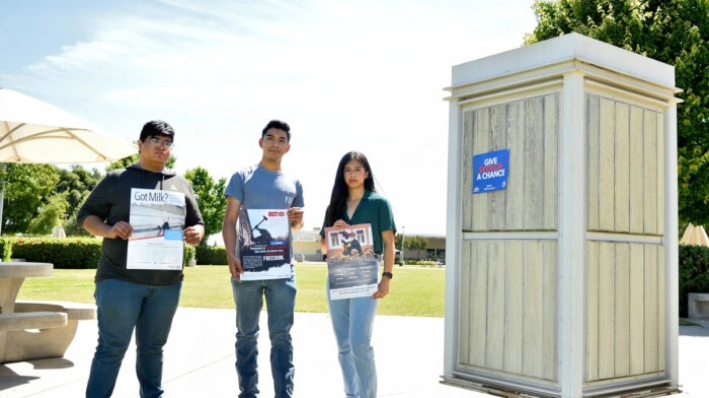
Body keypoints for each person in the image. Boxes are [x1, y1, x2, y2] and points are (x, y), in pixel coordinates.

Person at [78, 120, 205, 398]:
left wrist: (197, 232)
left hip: (167, 284)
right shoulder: (116, 179)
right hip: (119, 280)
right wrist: (109, 230)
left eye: (167, 142)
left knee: (153, 349)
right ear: (140, 144)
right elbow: (85, 217)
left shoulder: (180, 184)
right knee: (111, 348)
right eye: (156, 141)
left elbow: (197, 222)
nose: (162, 147)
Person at [222, 120, 305, 398]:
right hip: (247, 269)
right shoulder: (242, 176)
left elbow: (294, 227)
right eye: (270, 138)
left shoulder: (294, 182)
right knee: (246, 335)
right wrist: (231, 255)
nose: (275, 143)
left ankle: (284, 394)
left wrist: (298, 220)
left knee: (282, 337)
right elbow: (229, 221)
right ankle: (248, 393)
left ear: (288, 147)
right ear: (261, 142)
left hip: (282, 271)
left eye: (281, 140)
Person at [319, 151, 396, 398]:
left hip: (366, 272)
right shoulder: (334, 206)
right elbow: (322, 246)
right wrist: (335, 230)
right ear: (342, 174)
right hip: (338, 274)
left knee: (359, 343)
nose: (352, 174)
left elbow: (389, 242)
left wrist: (386, 276)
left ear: (366, 173)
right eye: (347, 170)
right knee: (343, 345)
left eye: (357, 169)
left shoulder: (378, 203)